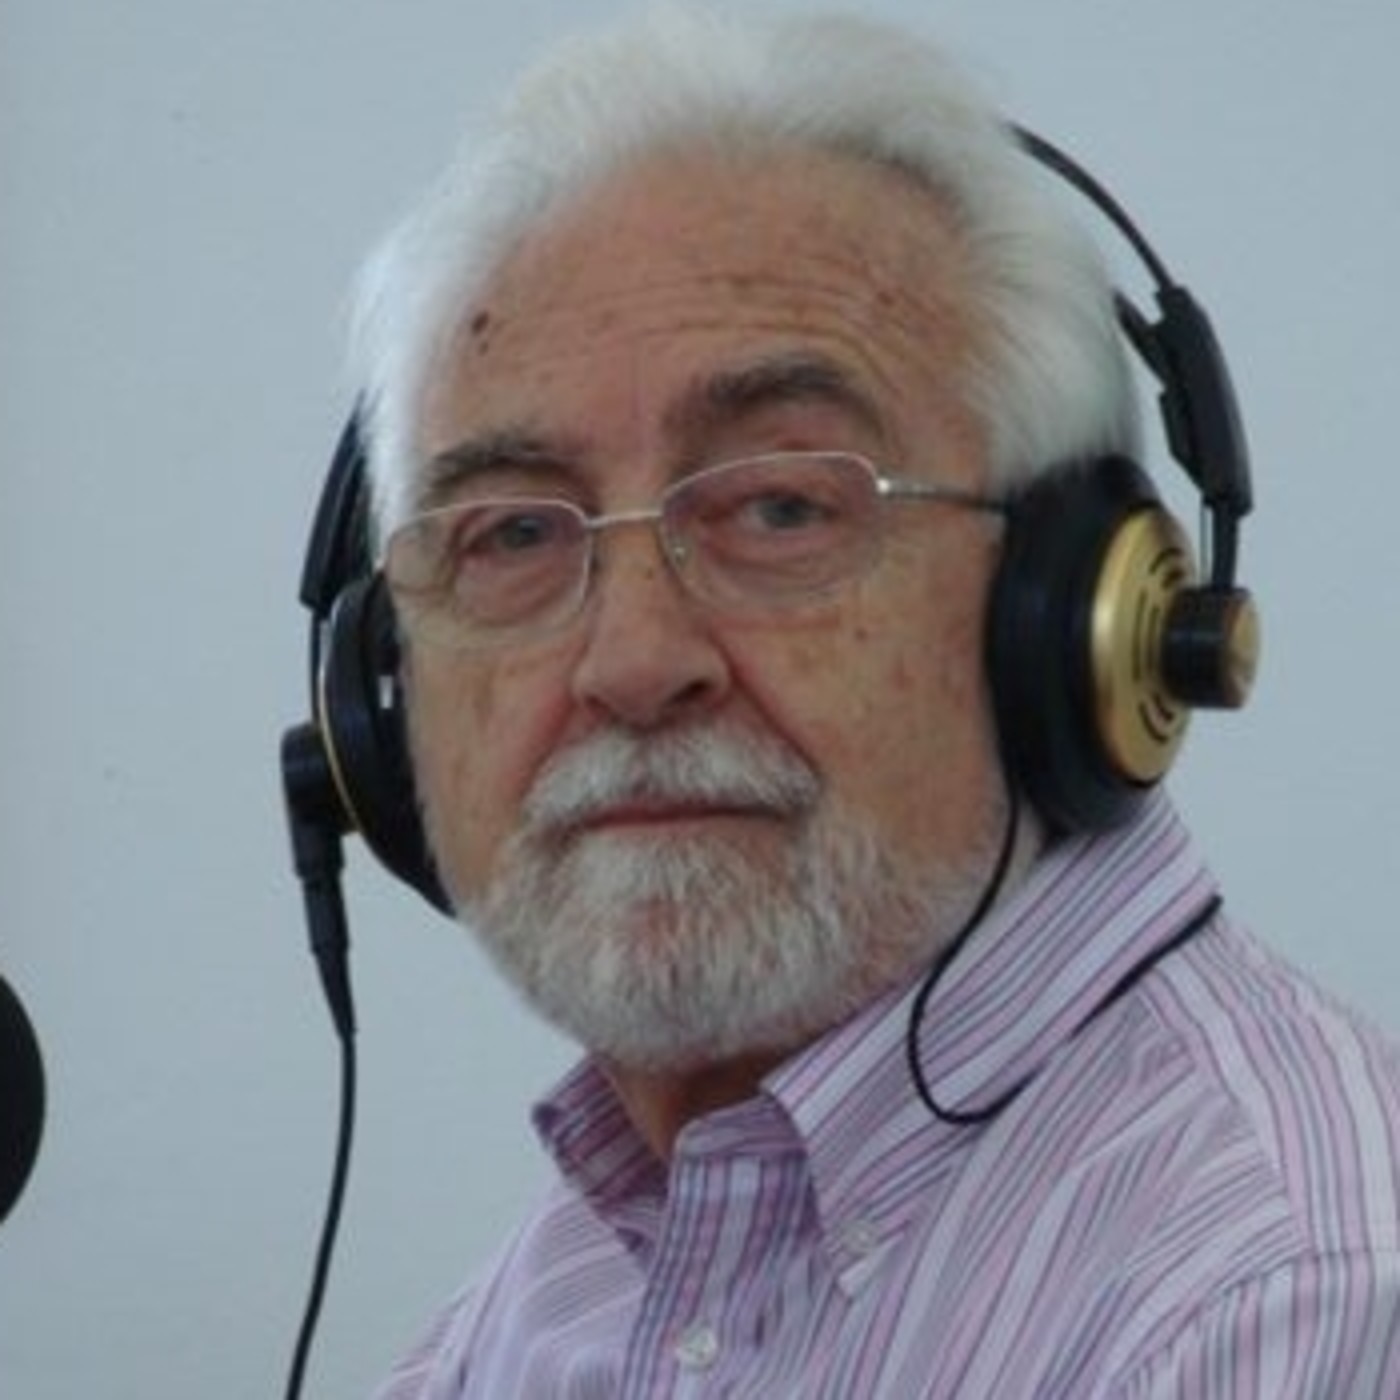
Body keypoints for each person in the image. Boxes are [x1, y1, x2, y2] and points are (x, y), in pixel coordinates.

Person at [343, 7, 1400, 1395]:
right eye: (517, 535)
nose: (632, 661)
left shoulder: (1284, 1301)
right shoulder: (559, 1296)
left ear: (1084, 619)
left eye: (781, 506)